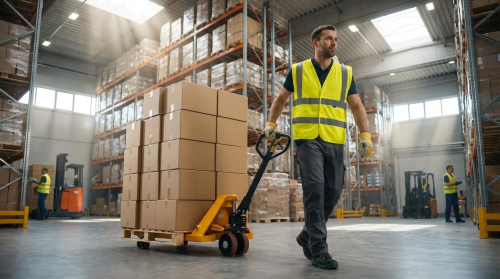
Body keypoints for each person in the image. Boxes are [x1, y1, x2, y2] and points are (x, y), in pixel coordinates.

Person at [263, 25, 372, 270]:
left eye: (335, 39)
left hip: (334, 139)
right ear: (316, 43)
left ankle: (306, 235)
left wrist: (365, 134)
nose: (334, 43)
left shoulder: (345, 73)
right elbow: (281, 98)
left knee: (333, 191)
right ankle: (319, 249)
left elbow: (356, 106)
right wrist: (270, 123)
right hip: (307, 139)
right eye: (328, 39)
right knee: (315, 190)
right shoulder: (298, 70)